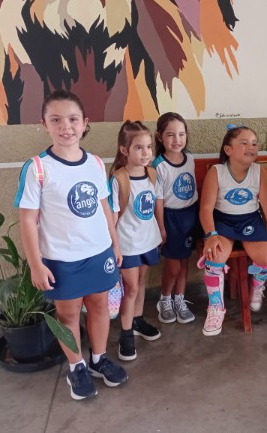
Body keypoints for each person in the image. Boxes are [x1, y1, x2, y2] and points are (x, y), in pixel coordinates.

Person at [15, 90, 128, 401]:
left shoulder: (95, 163)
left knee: (100, 306)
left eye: (73, 119)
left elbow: (105, 208)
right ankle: (76, 366)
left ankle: (98, 359)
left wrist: (115, 244)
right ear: (44, 125)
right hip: (61, 259)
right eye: (56, 120)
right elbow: (28, 220)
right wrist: (36, 264)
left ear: (85, 123)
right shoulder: (38, 168)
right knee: (68, 315)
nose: (66, 126)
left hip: (99, 253)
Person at [199, 125, 267, 336]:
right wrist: (210, 236)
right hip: (223, 222)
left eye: (254, 143)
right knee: (215, 255)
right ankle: (215, 306)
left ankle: (257, 286)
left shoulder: (259, 171)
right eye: (244, 143)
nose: (251, 147)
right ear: (228, 150)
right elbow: (206, 208)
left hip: (250, 221)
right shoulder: (217, 171)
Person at [109, 120, 162, 362]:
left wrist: (161, 229)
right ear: (124, 150)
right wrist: (114, 246)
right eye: (139, 147)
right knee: (129, 288)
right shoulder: (119, 179)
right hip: (128, 244)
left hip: (148, 240)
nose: (145, 153)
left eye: (149, 147)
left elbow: (157, 204)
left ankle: (137, 319)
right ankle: (126, 332)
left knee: (141, 282)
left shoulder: (152, 174)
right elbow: (112, 216)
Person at [152, 112, 198, 325]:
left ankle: (180, 299)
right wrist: (161, 227)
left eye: (181, 134)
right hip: (170, 218)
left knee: (184, 261)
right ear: (160, 136)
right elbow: (159, 200)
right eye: (170, 135)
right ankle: (164, 299)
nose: (177, 139)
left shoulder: (190, 159)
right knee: (173, 266)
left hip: (190, 216)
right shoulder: (158, 166)